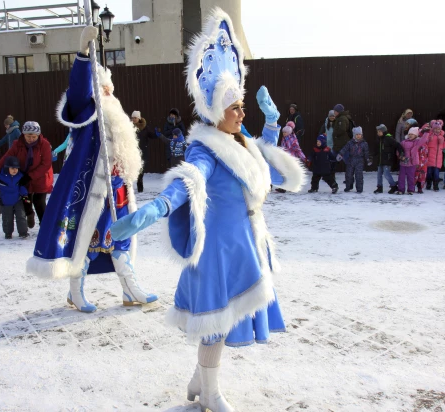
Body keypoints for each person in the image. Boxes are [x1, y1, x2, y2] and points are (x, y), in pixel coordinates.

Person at [110, 10, 305, 412]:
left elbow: (267, 170)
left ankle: (201, 380)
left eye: (242, 105)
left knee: (227, 320)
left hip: (244, 243)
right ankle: (210, 394)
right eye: (235, 107)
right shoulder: (205, 146)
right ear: (217, 111)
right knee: (215, 324)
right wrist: (159, 206)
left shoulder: (241, 139)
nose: (241, 112)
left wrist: (271, 125)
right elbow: (191, 179)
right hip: (218, 250)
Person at [26, 25, 158, 313]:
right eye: (102, 85)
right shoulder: (87, 110)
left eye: (109, 85)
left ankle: (129, 289)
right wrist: (83, 54)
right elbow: (76, 93)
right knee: (86, 240)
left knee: (121, 237)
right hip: (91, 192)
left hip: (118, 188)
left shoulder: (116, 111)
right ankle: (76, 292)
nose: (108, 89)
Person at [0, 121, 53, 228]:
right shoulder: (17, 144)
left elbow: (46, 164)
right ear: (23, 134)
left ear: (38, 135)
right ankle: (29, 214)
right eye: (28, 136)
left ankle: (45, 226)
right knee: (25, 198)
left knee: (39, 201)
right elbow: (7, 157)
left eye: (34, 136)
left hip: (41, 176)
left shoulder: (45, 145)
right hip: (23, 175)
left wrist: (30, 176)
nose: (31, 139)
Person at [0, 156, 29, 239]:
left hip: (17, 200)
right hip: (5, 202)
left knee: (21, 216)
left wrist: (25, 195)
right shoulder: (0, 177)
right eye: (12, 168)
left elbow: (21, 186)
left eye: (16, 168)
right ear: (7, 167)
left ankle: (23, 232)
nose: (15, 170)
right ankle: (8, 233)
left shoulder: (19, 176)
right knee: (7, 218)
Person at [337, 126, 371, 193]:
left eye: (359, 134)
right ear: (354, 135)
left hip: (360, 161)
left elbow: (366, 152)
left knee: (359, 175)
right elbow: (345, 149)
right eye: (357, 134)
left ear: (361, 135)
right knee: (348, 174)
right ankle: (348, 187)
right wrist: (340, 154)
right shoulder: (350, 143)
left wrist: (368, 159)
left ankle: (359, 188)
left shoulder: (364, 143)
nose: (358, 136)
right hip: (351, 160)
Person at [276, 121, 307, 193]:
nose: (283, 134)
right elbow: (283, 148)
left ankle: (291, 186)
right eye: (283, 132)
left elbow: (298, 149)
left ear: (289, 132)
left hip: (291, 158)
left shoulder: (293, 140)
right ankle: (283, 187)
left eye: (285, 132)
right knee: (284, 172)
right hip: (285, 158)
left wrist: (303, 157)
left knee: (290, 173)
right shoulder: (284, 139)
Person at [131, 111, 158, 192]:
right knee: (132, 169)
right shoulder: (130, 127)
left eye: (135, 118)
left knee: (141, 170)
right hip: (133, 151)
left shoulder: (145, 127)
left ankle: (140, 186)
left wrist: (156, 134)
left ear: (139, 118)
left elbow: (151, 135)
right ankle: (128, 187)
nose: (133, 119)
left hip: (142, 151)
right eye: (132, 118)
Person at [374, 124, 402, 194]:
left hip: (387, 160)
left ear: (383, 131)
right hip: (380, 160)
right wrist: (372, 156)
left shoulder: (389, 138)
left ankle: (393, 186)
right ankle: (379, 187)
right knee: (379, 174)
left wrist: (401, 152)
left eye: (379, 131)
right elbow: (376, 150)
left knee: (386, 174)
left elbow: (397, 145)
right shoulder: (379, 139)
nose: (378, 133)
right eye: (377, 131)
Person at [396, 127, 421, 195]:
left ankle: (411, 190)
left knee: (411, 177)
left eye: (412, 134)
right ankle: (401, 189)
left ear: (416, 135)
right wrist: (400, 156)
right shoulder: (403, 142)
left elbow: (423, 140)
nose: (410, 135)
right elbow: (399, 150)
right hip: (403, 163)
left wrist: (426, 132)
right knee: (401, 177)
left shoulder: (416, 143)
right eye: (409, 134)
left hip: (412, 163)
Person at [424, 120, 445, 192]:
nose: (437, 130)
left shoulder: (442, 136)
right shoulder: (430, 135)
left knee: (436, 173)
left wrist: (440, 139)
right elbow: (426, 141)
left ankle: (435, 185)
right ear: (433, 129)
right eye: (435, 128)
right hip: (430, 158)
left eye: (438, 129)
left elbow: (442, 144)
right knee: (429, 173)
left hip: (437, 159)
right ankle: (428, 184)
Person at [414, 123, 431, 193]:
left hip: (424, 161)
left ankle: (420, 187)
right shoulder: (418, 140)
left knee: (423, 175)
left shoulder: (429, 138)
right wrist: (425, 132)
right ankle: (412, 186)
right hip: (417, 161)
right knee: (415, 174)